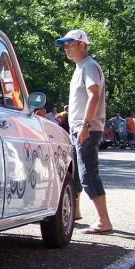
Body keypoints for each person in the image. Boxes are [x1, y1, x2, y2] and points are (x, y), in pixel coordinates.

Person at [56, 29, 112, 234]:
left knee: (88, 174)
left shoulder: (89, 65)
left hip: (86, 128)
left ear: (82, 44)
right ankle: (76, 211)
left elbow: (94, 95)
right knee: (77, 173)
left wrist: (85, 125)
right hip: (79, 127)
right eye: (64, 44)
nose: (66, 48)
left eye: (70, 43)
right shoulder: (80, 67)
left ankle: (103, 221)